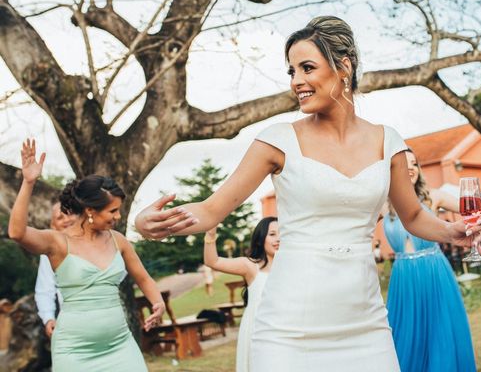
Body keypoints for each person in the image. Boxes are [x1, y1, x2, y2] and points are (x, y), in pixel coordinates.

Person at [134, 16, 481, 371]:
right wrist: (152, 224)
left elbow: (411, 215)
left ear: (343, 66)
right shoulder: (278, 140)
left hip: (366, 324)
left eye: (307, 67)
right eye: (291, 71)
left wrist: (450, 231)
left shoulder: (387, 141)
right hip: (289, 328)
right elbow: (212, 210)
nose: (296, 81)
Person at [8, 139, 165, 371]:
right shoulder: (58, 242)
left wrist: (157, 302)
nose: (118, 217)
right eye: (112, 211)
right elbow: (17, 232)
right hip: (74, 351)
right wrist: (28, 182)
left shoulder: (118, 240)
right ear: (91, 211)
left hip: (120, 345)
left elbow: (143, 278)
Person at [384, 149, 481, 372]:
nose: (410, 168)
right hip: (403, 277)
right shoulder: (384, 203)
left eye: (414, 163)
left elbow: (475, 212)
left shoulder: (433, 196)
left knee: (439, 333)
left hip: (434, 271)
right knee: (403, 334)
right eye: (405, 164)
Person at [203, 217, 279, 372]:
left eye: (282, 233)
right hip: (260, 330)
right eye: (272, 234)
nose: (278, 239)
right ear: (260, 239)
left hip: (286, 328)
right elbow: (212, 261)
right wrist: (210, 234)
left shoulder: (294, 267)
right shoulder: (250, 266)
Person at [35, 202, 76, 339]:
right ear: (53, 226)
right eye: (60, 217)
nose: (67, 220)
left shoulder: (97, 241)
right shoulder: (48, 253)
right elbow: (45, 289)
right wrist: (49, 318)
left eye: (69, 214)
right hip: (70, 320)